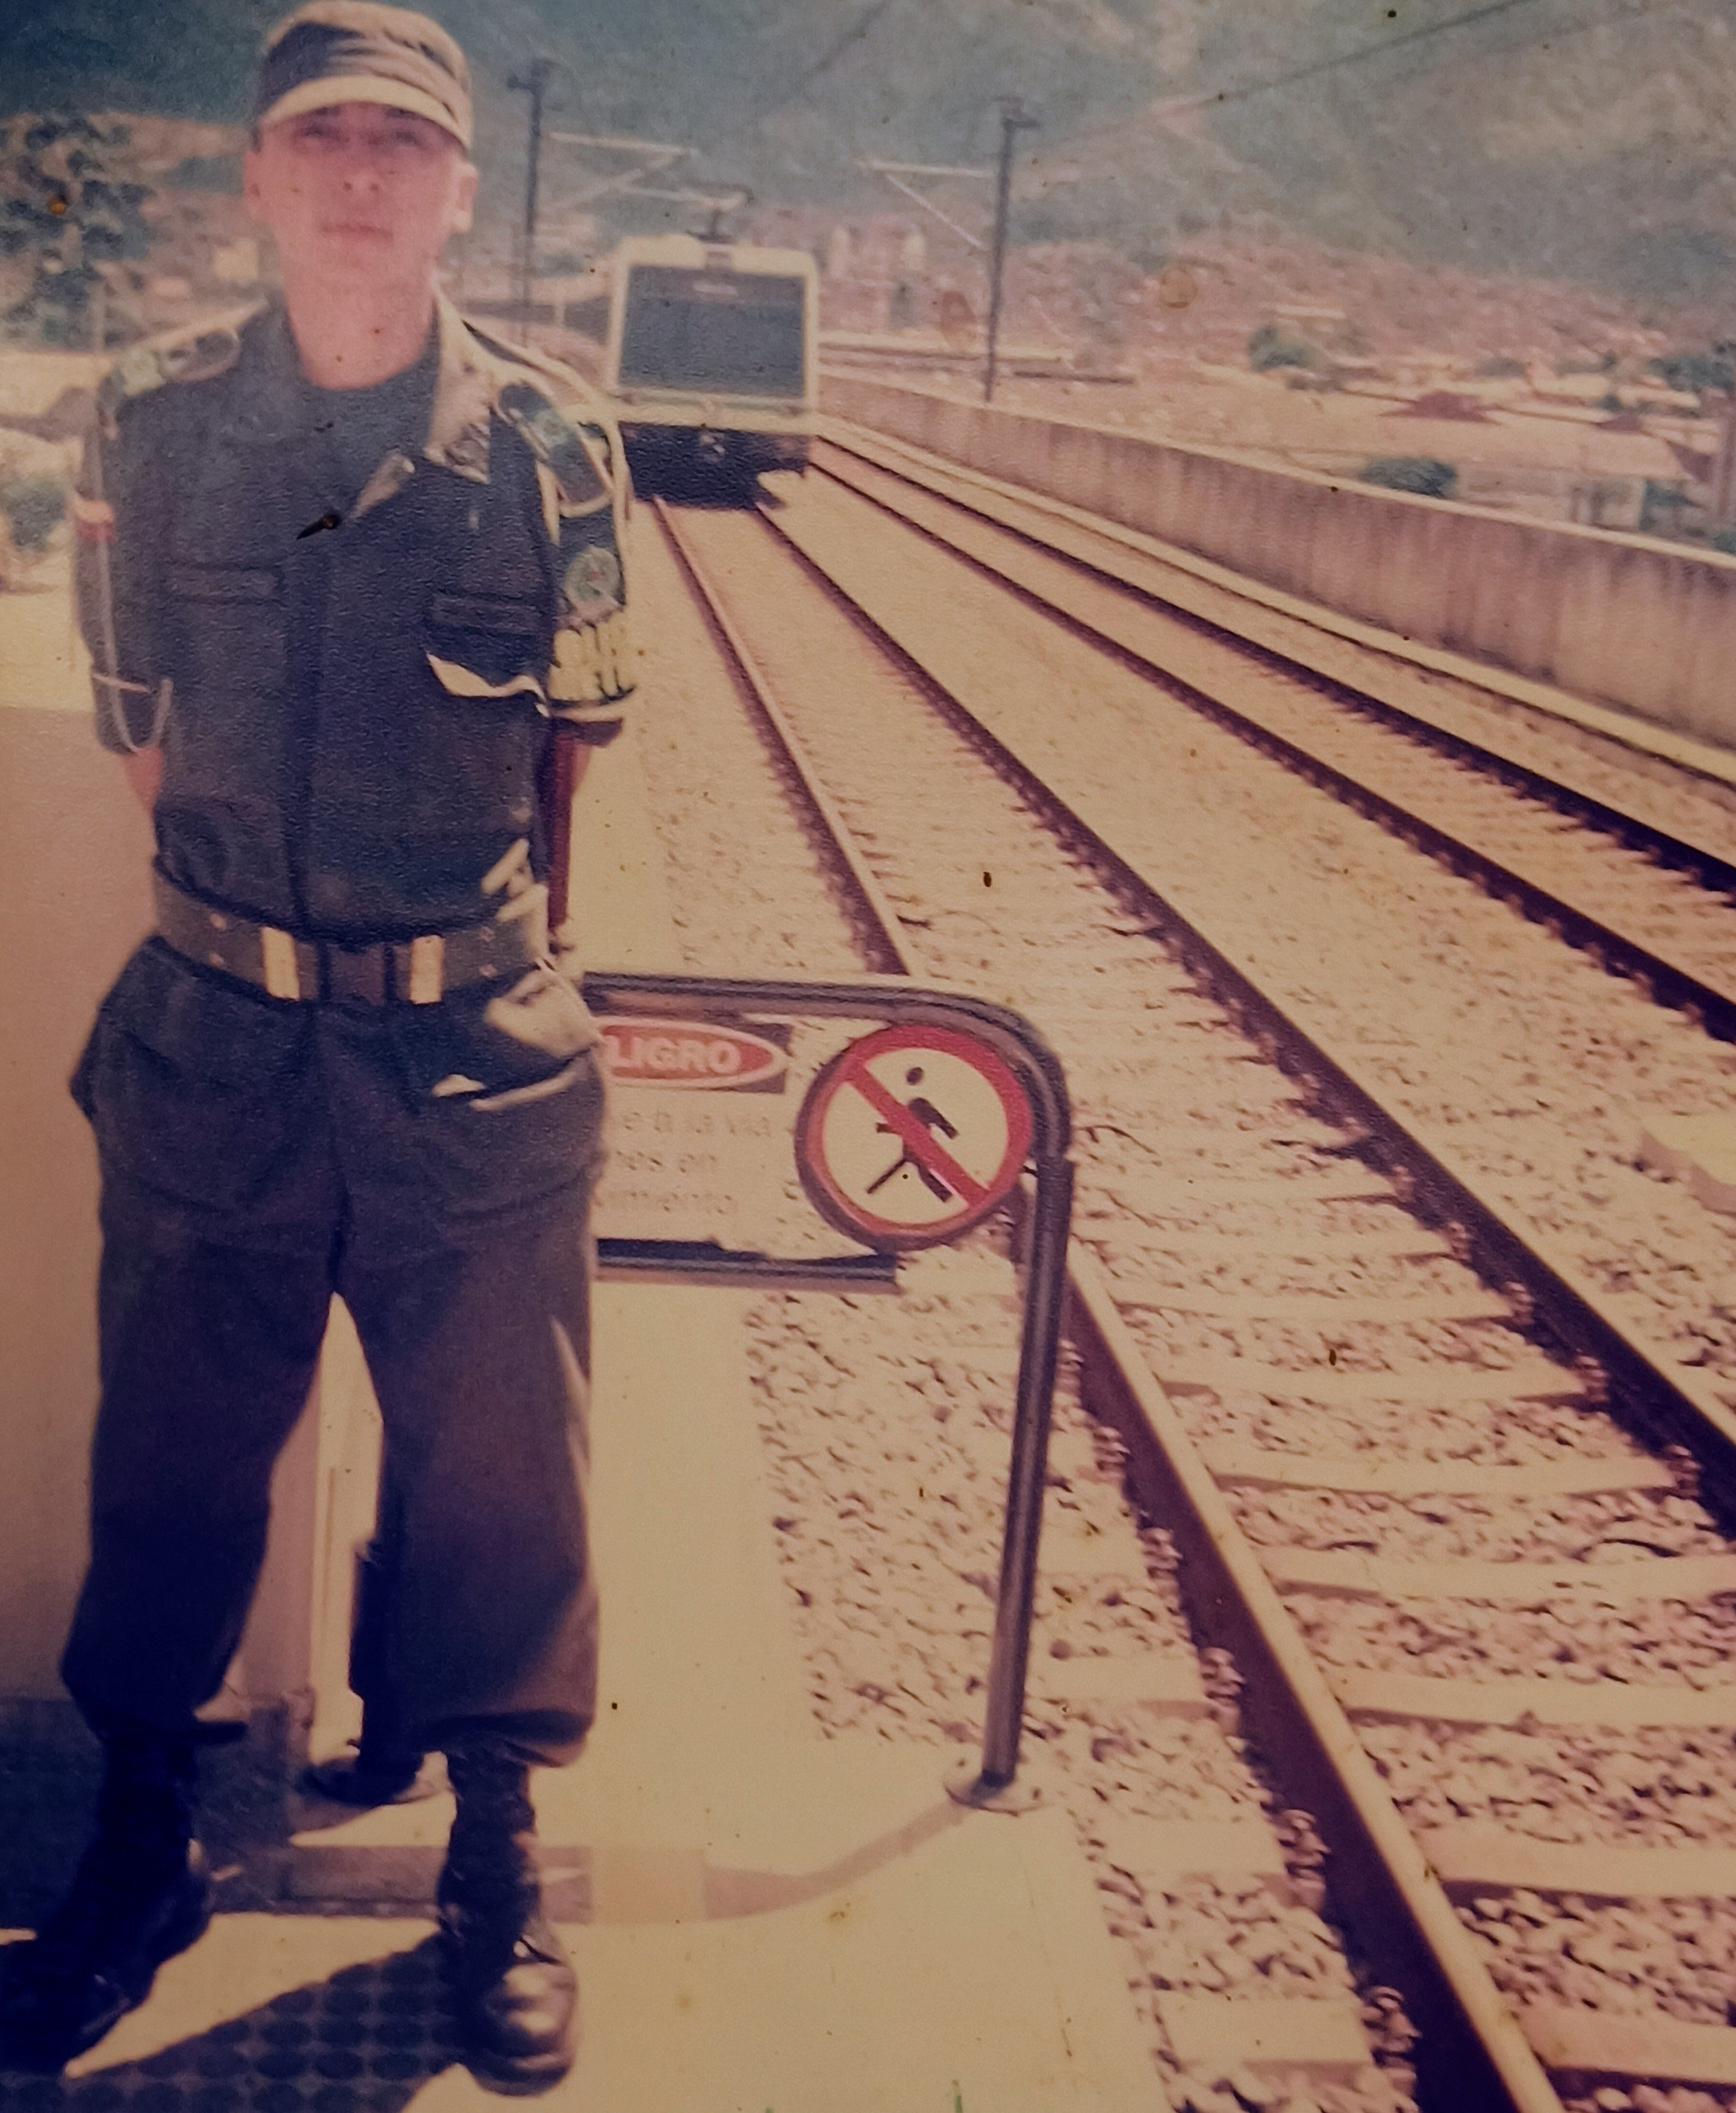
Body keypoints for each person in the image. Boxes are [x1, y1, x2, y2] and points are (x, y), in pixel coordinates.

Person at [0, 2, 633, 2088]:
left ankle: (494, 1864)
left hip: (469, 1066)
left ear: (459, 187)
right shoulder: (150, 425)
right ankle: (141, 1854)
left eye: (403, 146)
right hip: (217, 1054)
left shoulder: (557, 446)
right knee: (170, 1478)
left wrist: (431, 969)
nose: (362, 177)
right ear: (260, 179)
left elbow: (569, 765)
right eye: (321, 142)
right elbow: (145, 746)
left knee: (498, 1486)